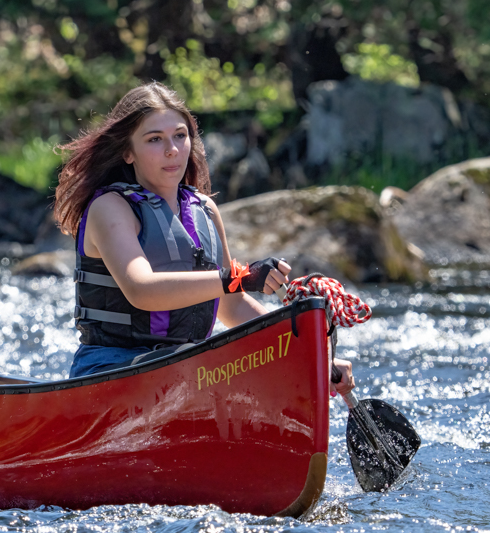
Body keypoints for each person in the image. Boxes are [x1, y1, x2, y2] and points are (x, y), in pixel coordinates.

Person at [53, 82, 354, 394]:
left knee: (260, 364)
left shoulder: (205, 210)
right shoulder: (111, 208)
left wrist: (313, 352)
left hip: (186, 369)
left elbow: (233, 308)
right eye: (155, 139)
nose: (172, 149)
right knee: (205, 364)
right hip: (110, 370)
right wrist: (239, 277)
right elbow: (140, 289)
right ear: (128, 152)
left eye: (180, 136)